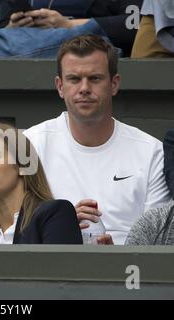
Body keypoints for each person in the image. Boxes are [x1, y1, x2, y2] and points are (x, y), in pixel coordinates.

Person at [23, 34, 171, 245]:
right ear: (59, 86)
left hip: (128, 272)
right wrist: (60, 225)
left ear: (114, 84)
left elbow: (158, 240)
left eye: (95, 78)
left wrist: (116, 256)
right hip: (50, 270)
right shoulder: (31, 144)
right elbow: (13, 229)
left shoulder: (151, 152)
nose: (84, 88)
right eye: (74, 79)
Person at [0, 0, 142, 57]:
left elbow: (134, 25)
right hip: (27, 51)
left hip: (90, 52)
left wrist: (68, 25)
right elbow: (3, 28)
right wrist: (14, 27)